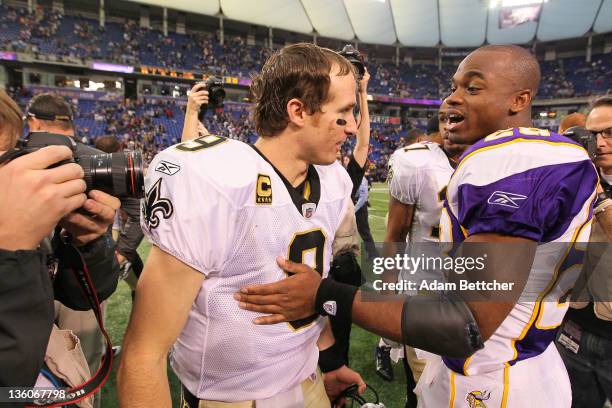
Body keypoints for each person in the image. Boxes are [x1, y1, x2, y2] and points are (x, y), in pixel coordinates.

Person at [234, 45, 599, 407]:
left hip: (488, 377)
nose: (452, 99)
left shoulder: (511, 161)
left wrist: (324, 294)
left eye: (472, 88)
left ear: (519, 99)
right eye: (454, 87)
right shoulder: (557, 153)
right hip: (524, 359)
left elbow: (467, 323)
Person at [118, 43, 365, 407]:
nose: (352, 127)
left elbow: (305, 290)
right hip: (230, 399)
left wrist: (330, 364)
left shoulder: (333, 182)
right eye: (343, 113)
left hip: (307, 381)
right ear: (297, 111)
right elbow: (142, 355)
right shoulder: (215, 179)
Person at [0, 90, 119, 396]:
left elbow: (79, 295)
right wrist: (11, 250)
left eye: (12, 152)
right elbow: (12, 378)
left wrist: (87, 242)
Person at [374, 102, 471, 404]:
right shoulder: (416, 162)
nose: (450, 126)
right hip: (424, 291)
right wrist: (387, 295)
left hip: (474, 295)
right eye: (446, 119)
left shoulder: (494, 160)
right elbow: (395, 236)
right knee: (422, 391)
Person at [556, 95, 612, 408]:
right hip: (574, 323)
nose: (599, 143)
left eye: (609, 133)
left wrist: (598, 195)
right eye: (593, 135)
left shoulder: (593, 186)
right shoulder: (578, 181)